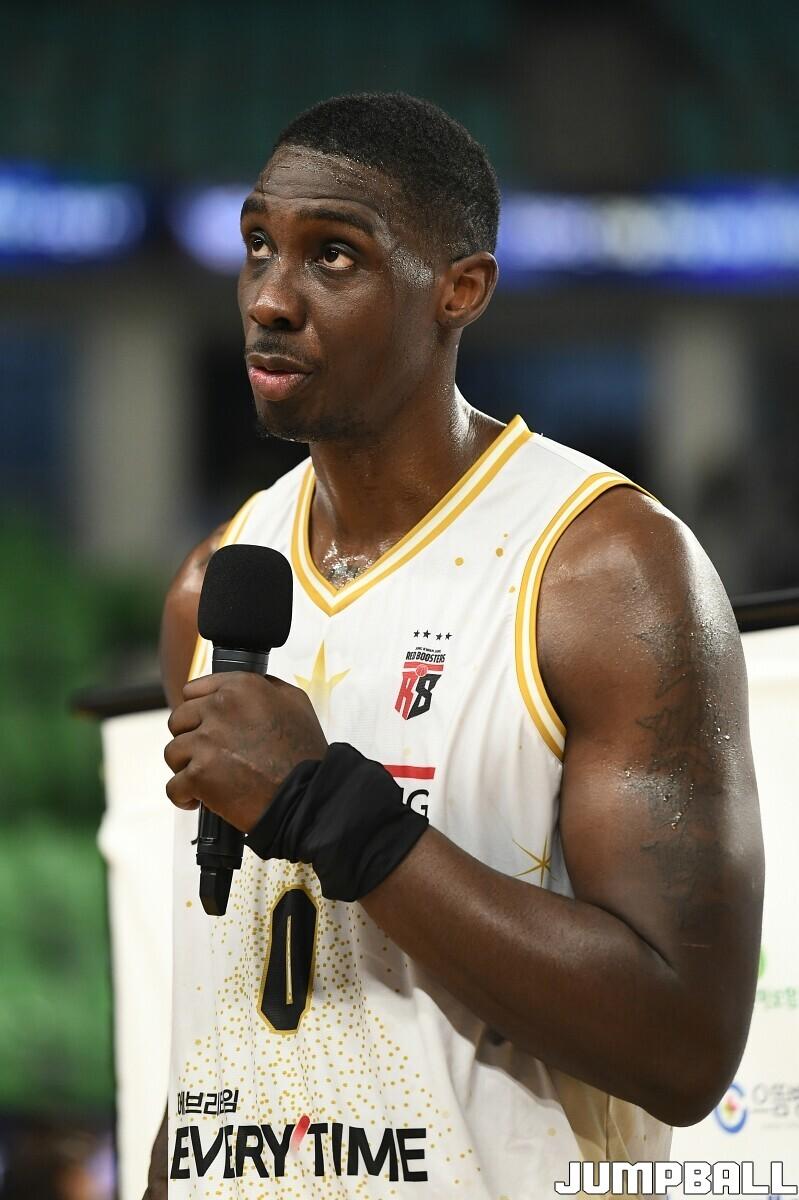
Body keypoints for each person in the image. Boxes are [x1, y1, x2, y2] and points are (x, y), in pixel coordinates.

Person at [148, 93, 763, 1198]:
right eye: (258, 246)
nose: (270, 298)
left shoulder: (605, 571)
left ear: (460, 290)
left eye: (333, 256)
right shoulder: (215, 585)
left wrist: (336, 816)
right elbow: (214, 1029)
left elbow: (682, 1047)